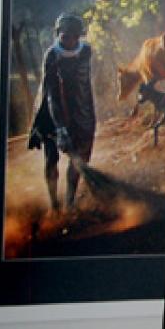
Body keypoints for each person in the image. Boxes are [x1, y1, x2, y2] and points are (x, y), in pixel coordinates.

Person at [27, 13, 97, 212]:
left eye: (71, 35)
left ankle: (69, 202)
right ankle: (54, 204)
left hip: (79, 110)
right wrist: (61, 129)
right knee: (51, 158)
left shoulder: (86, 52)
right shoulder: (52, 55)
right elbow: (52, 95)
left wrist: (75, 122)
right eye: (63, 35)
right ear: (58, 34)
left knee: (78, 158)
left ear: (78, 36)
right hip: (51, 113)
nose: (66, 39)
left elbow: (82, 87)